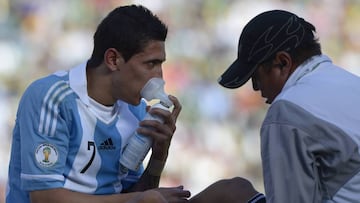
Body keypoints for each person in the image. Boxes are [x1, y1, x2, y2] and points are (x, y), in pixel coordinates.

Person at [6, 4, 191, 203]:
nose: (159, 77)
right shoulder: (52, 97)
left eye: (161, 64)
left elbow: (133, 193)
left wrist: (159, 156)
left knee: (223, 191)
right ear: (113, 59)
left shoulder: (135, 110)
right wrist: (142, 199)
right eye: (151, 64)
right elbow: (44, 197)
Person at [218, 9, 360, 203]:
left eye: (256, 77)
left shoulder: (286, 111)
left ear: (283, 63)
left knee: (230, 192)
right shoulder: (351, 82)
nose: (256, 88)